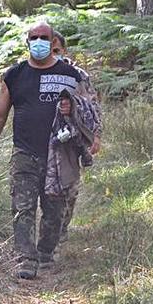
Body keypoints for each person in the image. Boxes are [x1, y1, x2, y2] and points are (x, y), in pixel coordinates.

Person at [0, 22, 84, 280]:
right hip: (25, 151)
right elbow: (0, 114)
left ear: (53, 41)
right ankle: (26, 258)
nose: (39, 42)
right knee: (22, 206)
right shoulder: (15, 75)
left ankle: (46, 254)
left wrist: (89, 139)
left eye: (44, 37)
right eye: (34, 37)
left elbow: (89, 112)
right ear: (27, 42)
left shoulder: (71, 75)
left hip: (59, 154)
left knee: (54, 209)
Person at [51, 31, 102, 244]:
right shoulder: (35, 71)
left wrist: (96, 135)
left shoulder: (78, 75)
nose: (53, 55)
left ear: (64, 50)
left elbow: (93, 105)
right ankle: (48, 233)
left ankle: (62, 230)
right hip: (44, 139)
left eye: (56, 50)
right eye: (50, 50)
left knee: (69, 189)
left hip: (72, 141)